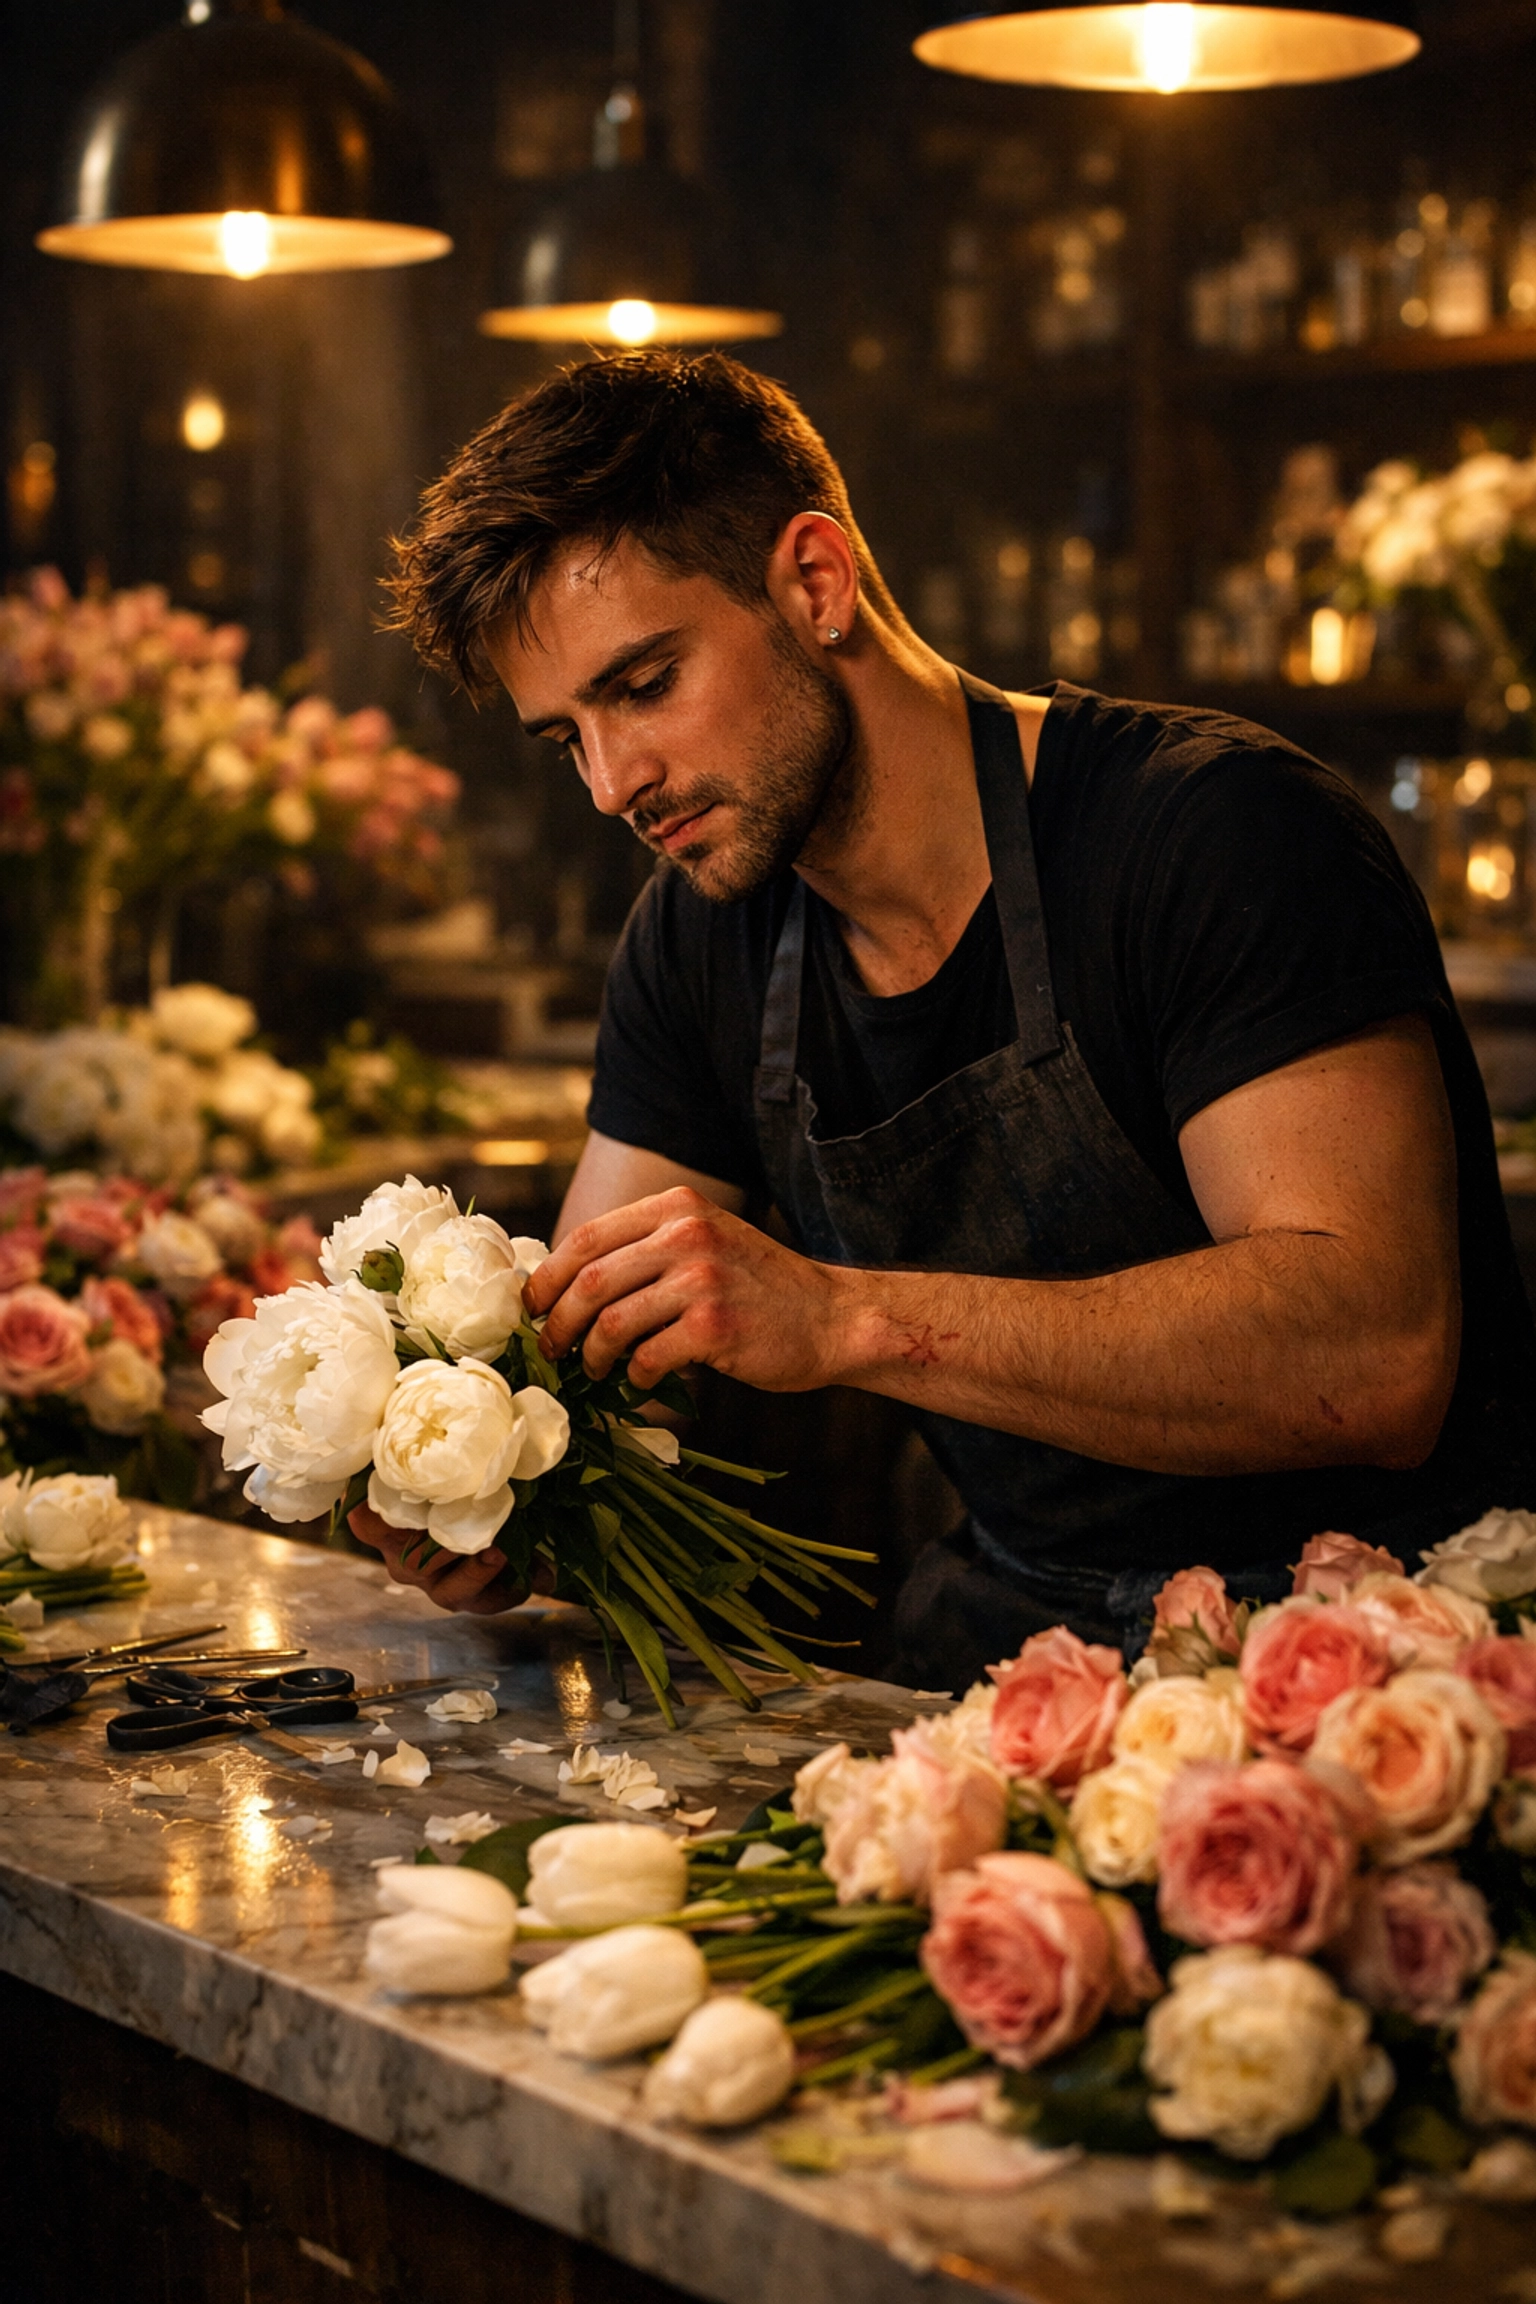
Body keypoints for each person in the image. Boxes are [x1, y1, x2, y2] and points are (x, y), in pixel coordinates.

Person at [357, 347, 1536, 1692]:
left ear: (816, 581)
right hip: (1013, 1669)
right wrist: (502, 1500)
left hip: (1396, 1663)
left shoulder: (1214, 834)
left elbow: (1372, 1352)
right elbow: (604, 1394)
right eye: (565, 736)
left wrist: (851, 1320)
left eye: (642, 685)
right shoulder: (695, 941)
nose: (614, 783)